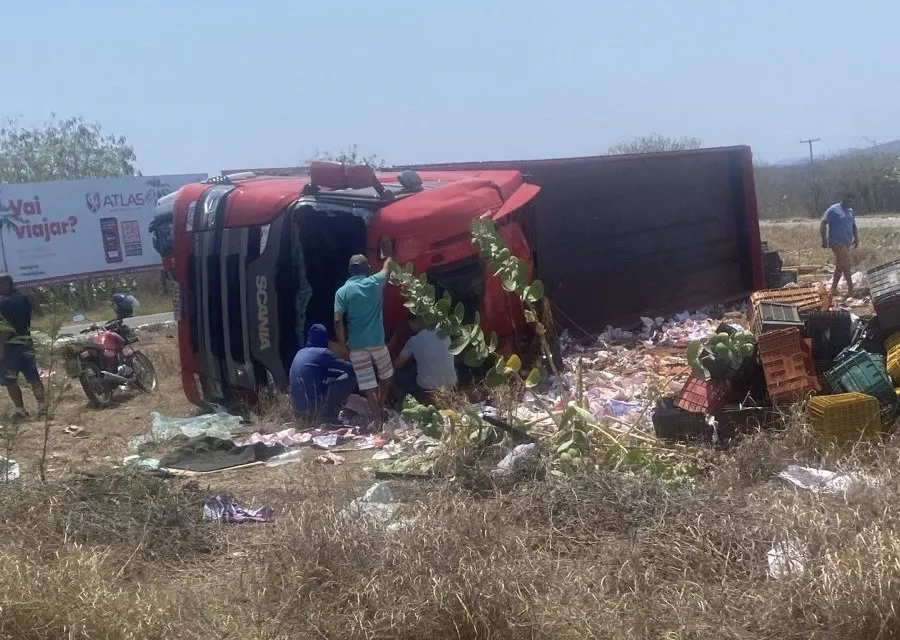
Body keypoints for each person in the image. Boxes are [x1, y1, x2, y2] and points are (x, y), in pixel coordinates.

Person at [334, 254, 396, 428]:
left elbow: (338, 320)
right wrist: (388, 255)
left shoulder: (342, 292)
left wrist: (342, 341)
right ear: (367, 269)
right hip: (377, 341)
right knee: (387, 374)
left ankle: (377, 420)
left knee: (369, 385)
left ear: (350, 271)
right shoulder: (375, 282)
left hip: (356, 345)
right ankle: (381, 404)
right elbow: (387, 266)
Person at [0, 275, 46, 418]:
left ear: (6, 284)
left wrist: (0, 348)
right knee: (33, 378)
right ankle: (42, 407)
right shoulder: (23, 298)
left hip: (9, 347)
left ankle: (20, 410)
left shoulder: (2, 303)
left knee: (10, 380)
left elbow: (5, 329)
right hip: (26, 343)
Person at [289, 324, 356, 420]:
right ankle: (332, 411)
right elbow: (350, 368)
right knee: (353, 377)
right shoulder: (323, 353)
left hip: (297, 411)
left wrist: (338, 373)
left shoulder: (300, 352)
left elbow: (321, 372)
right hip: (315, 408)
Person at [394, 316, 458, 403]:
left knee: (395, 375)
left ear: (413, 322)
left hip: (427, 390)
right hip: (452, 385)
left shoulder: (414, 340)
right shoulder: (443, 332)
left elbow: (398, 364)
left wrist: (394, 337)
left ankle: (404, 402)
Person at [820, 192, 859, 298]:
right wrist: (824, 240)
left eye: (852, 201)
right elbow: (823, 223)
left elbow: (853, 225)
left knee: (840, 266)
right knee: (846, 264)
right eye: (848, 201)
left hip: (847, 243)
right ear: (844, 199)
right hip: (836, 242)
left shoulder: (850, 211)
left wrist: (857, 238)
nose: (850, 203)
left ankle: (833, 289)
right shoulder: (833, 210)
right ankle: (851, 289)